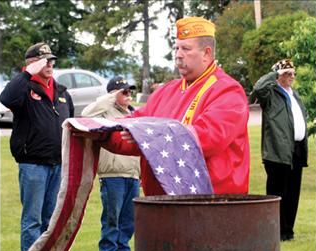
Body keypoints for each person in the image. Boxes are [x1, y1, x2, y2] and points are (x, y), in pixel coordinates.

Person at [87, 17, 250, 196]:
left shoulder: (228, 90)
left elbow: (208, 137)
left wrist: (150, 134)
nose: (178, 54)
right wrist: (99, 131)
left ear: (207, 53)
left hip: (211, 205)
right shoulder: (165, 91)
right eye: (177, 48)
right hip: (163, 205)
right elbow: (132, 126)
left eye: (186, 49)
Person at [0, 42, 74, 251]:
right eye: (44, 60)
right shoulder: (24, 87)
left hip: (57, 163)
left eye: (52, 60)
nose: (50, 64)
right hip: (32, 164)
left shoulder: (62, 92)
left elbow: (70, 123)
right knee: (32, 219)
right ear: (31, 63)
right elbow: (6, 98)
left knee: (50, 220)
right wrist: (26, 74)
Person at [81, 77, 141, 251]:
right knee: (112, 217)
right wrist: (109, 98)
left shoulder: (134, 115)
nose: (129, 95)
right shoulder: (104, 113)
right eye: (124, 92)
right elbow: (85, 114)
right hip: (112, 174)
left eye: (130, 91)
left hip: (132, 174)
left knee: (128, 220)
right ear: (112, 94)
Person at [251, 59, 308, 241]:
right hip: (277, 150)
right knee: (278, 193)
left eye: (292, 73)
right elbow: (258, 88)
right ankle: (274, 231)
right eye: (286, 73)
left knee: (293, 192)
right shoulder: (271, 94)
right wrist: (274, 73)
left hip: (296, 149)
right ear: (278, 75)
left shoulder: (295, 94)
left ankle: (287, 231)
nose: (290, 76)